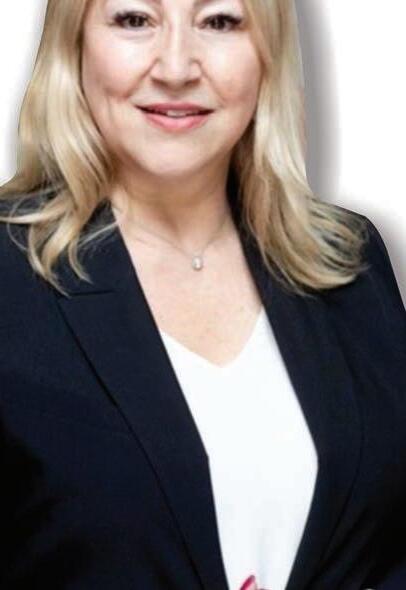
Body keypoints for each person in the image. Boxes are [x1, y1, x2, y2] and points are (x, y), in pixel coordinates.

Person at [0, 0, 405, 588]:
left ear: (267, 52)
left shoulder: (349, 260)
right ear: (75, 44)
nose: (176, 67)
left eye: (219, 21)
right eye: (135, 19)